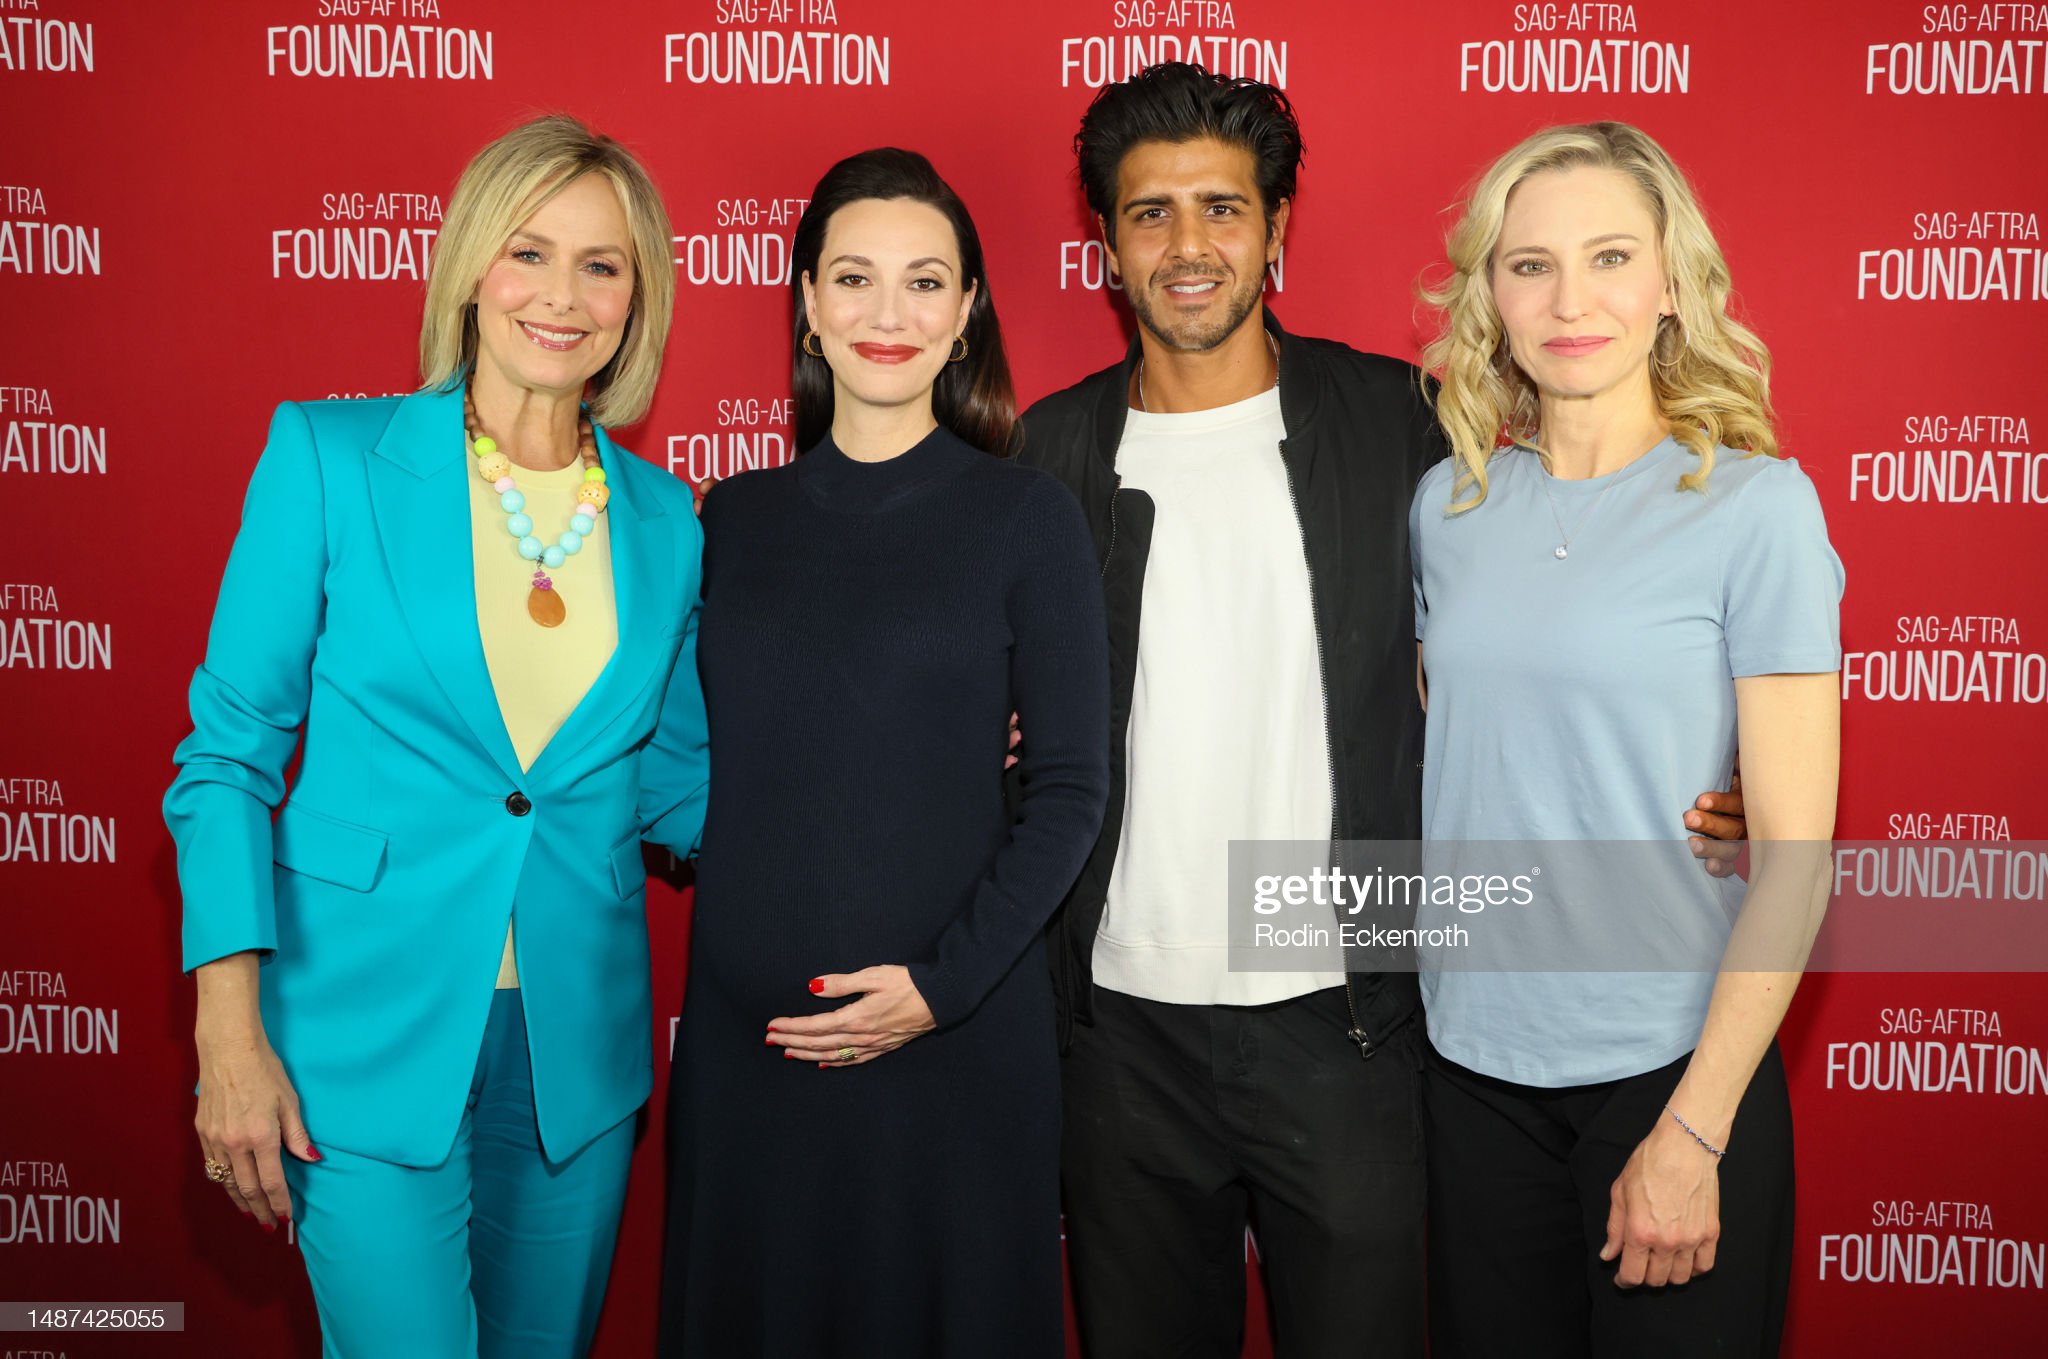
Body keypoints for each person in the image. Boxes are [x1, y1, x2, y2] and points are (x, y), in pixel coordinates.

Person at [1016, 65, 1752, 1358]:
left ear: (1278, 226)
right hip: (1117, 1032)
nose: (1190, 246)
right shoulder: (1046, 455)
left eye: (1223, 208)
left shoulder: (1405, 430)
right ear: (1109, 249)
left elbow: (1568, 595)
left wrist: (1710, 767)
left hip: (1352, 1013)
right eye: (1150, 214)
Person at [166, 114, 710, 1358]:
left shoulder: (669, 521)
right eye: (529, 252)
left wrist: (927, 757)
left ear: (639, 299)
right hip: (359, 1028)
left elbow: (680, 783)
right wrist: (227, 1033)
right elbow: (228, 757)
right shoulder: (330, 457)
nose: (561, 297)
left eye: (602, 265)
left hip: (572, 1052)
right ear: (471, 265)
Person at [657, 148, 1110, 1358]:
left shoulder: (1026, 519)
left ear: (966, 312)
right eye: (852, 279)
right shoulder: (726, 520)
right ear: (804, 300)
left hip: (953, 1051)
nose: (886, 314)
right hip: (752, 1061)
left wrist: (936, 991)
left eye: (924, 283)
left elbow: (1068, 791)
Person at [1410, 120, 1842, 1358]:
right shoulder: (1445, 507)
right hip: (1470, 1078)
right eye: (1529, 263)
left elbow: (1798, 861)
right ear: (1488, 291)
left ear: (1669, 284)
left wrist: (1694, 1131)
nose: (1569, 299)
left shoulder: (1754, 508)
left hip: (1670, 1070)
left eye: (1608, 256)